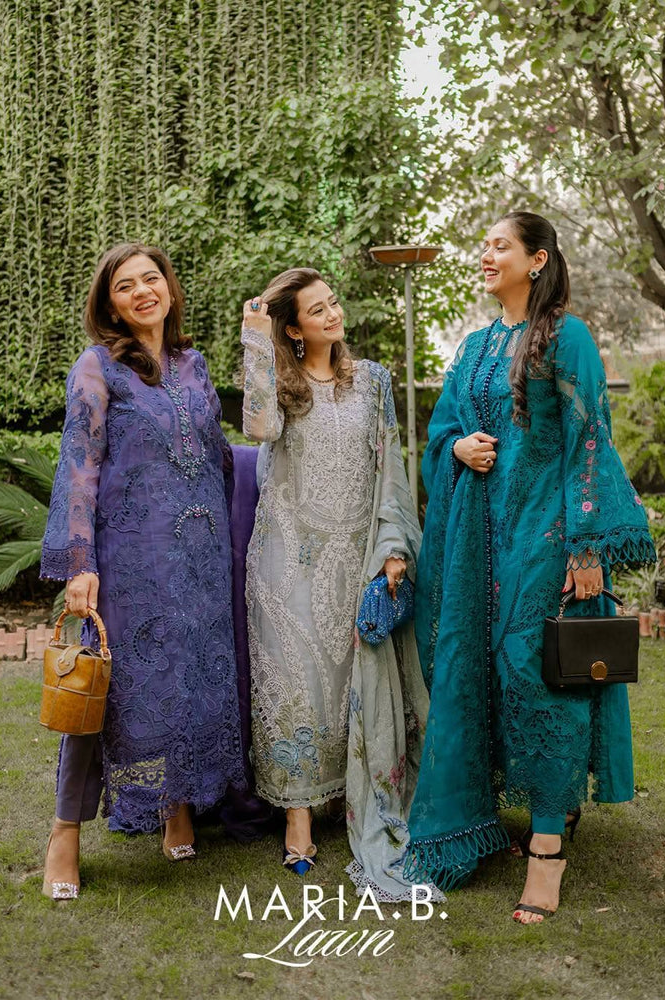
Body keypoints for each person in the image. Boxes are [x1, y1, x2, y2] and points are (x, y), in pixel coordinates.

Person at [403, 212, 656, 922]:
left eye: (500, 246)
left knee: (536, 676)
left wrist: (587, 547)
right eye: (483, 247)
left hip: (545, 536)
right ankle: (512, 812)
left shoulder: (567, 337)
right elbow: (444, 426)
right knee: (479, 670)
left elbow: (589, 439)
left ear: (537, 259)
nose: (486, 256)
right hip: (480, 540)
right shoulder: (477, 344)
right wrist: (457, 448)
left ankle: (548, 846)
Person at [39, 243, 246, 900]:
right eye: (125, 285)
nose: (142, 291)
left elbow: (217, 454)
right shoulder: (97, 366)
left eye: (151, 278)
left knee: (188, 682)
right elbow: (79, 465)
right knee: (101, 694)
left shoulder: (193, 364)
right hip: (129, 560)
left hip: (200, 559)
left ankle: (176, 806)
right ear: (110, 305)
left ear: (169, 289)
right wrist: (80, 564)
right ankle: (64, 833)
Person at [240, 267, 433, 900]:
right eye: (317, 310)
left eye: (333, 303)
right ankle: (297, 817)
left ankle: (358, 796)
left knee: (355, 681)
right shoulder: (281, 384)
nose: (333, 314)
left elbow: (391, 467)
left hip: (356, 555)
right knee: (297, 686)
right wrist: (255, 341)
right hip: (288, 560)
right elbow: (258, 428)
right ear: (294, 328)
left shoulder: (371, 380)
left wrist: (393, 547)